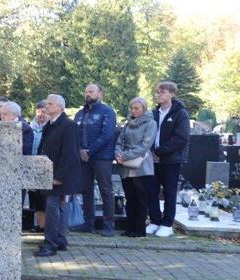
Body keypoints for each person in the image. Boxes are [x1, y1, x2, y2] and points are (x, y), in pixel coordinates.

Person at [35, 94, 82, 257]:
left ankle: (50, 245)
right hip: (49, 173)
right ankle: (60, 240)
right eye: (46, 103)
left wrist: (59, 177)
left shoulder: (69, 126)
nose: (46, 106)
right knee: (58, 208)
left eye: (50, 104)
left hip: (61, 176)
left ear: (60, 107)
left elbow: (70, 154)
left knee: (53, 208)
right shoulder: (50, 124)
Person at [146, 82, 191, 237]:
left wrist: (160, 151)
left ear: (172, 94)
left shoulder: (180, 114)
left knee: (169, 192)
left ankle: (167, 223)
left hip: (171, 159)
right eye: (157, 92)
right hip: (152, 159)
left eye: (162, 92)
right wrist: (151, 151)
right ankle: (155, 221)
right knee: (151, 191)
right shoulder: (153, 113)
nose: (158, 94)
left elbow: (181, 138)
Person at [74, 83, 118, 236]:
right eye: (86, 91)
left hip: (102, 158)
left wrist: (90, 151)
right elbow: (75, 134)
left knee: (106, 190)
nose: (87, 94)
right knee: (86, 190)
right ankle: (88, 223)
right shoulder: (80, 114)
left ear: (100, 94)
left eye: (91, 91)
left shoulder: (107, 112)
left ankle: (108, 225)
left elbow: (107, 135)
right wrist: (79, 149)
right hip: (83, 158)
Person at [115, 98, 156, 237]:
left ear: (144, 109)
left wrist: (126, 156)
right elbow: (119, 141)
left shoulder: (151, 123)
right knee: (130, 198)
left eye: (137, 108)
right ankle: (129, 227)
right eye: (132, 108)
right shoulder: (127, 124)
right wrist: (118, 154)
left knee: (141, 199)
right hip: (125, 167)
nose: (133, 111)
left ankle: (139, 229)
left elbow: (146, 145)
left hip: (141, 166)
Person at [28, 101, 49, 232]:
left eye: (44, 111)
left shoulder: (51, 127)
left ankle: (46, 225)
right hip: (31, 165)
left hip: (45, 166)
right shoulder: (29, 127)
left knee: (44, 198)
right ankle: (39, 224)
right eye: (39, 111)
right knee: (34, 198)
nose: (41, 114)